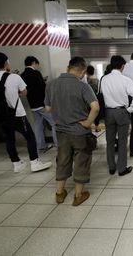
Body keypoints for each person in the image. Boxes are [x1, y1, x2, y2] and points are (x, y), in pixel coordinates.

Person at [45, 57, 99, 206]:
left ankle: (59, 194)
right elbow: (95, 107)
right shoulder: (82, 86)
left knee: (62, 160)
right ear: (82, 71)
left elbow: (48, 108)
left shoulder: (51, 84)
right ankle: (78, 195)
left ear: (68, 67)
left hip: (61, 132)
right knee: (82, 161)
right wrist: (88, 123)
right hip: (79, 132)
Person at [0, 52, 52, 173]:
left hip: (0, 114)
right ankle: (34, 162)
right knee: (30, 137)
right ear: (5, 63)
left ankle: (16, 163)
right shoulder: (14, 77)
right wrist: (14, 93)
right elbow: (24, 92)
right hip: (17, 113)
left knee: (9, 139)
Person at [102, 55, 133, 176]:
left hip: (108, 112)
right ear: (122, 66)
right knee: (123, 141)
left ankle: (111, 167)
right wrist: (131, 109)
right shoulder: (126, 80)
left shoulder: (104, 79)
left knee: (109, 141)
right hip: (122, 112)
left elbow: (101, 94)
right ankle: (122, 169)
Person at [21, 56, 58, 151]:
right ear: (34, 63)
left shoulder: (22, 75)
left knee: (38, 126)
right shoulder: (36, 73)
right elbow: (43, 88)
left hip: (32, 105)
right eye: (37, 64)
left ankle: (40, 146)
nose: (38, 66)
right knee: (55, 123)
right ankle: (58, 144)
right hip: (41, 104)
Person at [86, 65, 101, 132]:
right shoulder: (97, 80)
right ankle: (97, 127)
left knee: (88, 113)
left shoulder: (85, 80)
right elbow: (98, 90)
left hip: (87, 100)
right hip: (95, 99)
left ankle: (88, 126)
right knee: (96, 113)